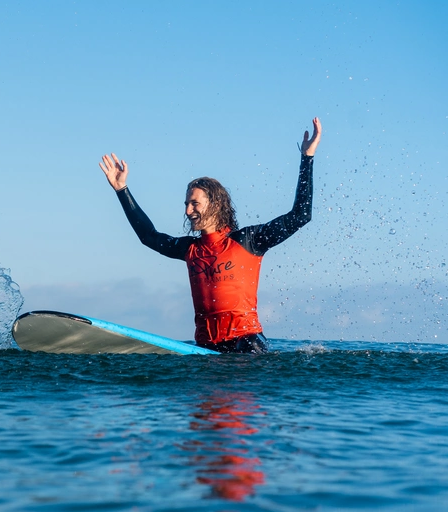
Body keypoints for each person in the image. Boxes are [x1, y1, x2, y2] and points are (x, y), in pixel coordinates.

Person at [98, 118, 322, 354]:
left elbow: (301, 215)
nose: (187, 211)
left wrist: (307, 158)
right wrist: (121, 190)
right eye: (186, 204)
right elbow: (148, 236)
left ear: (215, 204)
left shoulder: (248, 241)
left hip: (246, 344)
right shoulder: (190, 249)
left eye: (194, 203)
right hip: (206, 349)